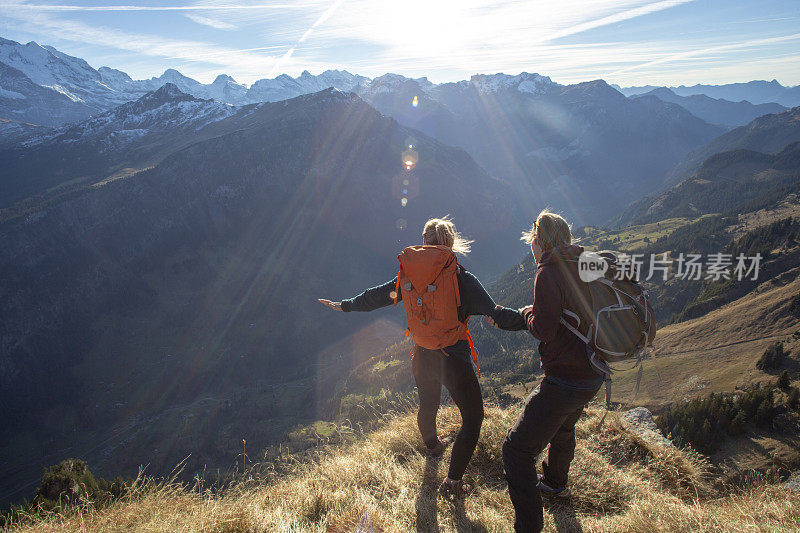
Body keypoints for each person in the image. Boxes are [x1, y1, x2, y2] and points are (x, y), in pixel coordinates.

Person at [319, 216, 520, 499]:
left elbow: (377, 297)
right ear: (450, 243)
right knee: (473, 420)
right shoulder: (461, 279)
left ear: (423, 242)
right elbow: (497, 314)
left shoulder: (409, 275)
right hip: (454, 358)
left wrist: (345, 306)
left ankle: (433, 448)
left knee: (428, 405)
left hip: (422, 356)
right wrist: (533, 319)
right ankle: (452, 483)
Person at [490, 210, 603, 533]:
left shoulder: (549, 271)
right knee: (563, 428)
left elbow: (544, 330)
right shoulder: (587, 261)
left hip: (565, 378)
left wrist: (527, 313)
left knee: (516, 449)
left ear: (537, 240)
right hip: (593, 372)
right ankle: (555, 484)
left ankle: (528, 527)